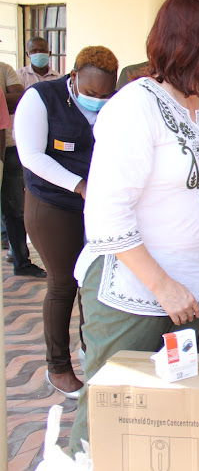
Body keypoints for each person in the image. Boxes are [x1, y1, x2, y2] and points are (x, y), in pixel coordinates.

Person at [68, 0, 199, 453]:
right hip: (136, 292)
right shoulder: (135, 106)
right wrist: (163, 286)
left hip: (192, 292)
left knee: (168, 418)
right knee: (110, 415)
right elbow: (105, 213)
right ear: (190, 42)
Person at [15, 46, 118, 399]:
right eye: (91, 94)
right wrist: (79, 185)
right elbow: (30, 155)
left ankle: (90, 350)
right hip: (51, 204)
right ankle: (57, 367)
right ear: (73, 78)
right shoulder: (41, 97)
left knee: (94, 283)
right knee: (63, 285)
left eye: (106, 94)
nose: (99, 100)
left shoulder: (115, 103)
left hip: (96, 207)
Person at [5, 37, 60, 276]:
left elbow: (16, 99)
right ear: (28, 54)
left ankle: (21, 255)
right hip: (19, 144)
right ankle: (13, 248)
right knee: (17, 202)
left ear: (49, 52)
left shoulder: (57, 77)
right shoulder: (19, 74)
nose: (39, 54)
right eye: (34, 51)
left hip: (36, 146)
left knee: (24, 200)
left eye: (42, 50)